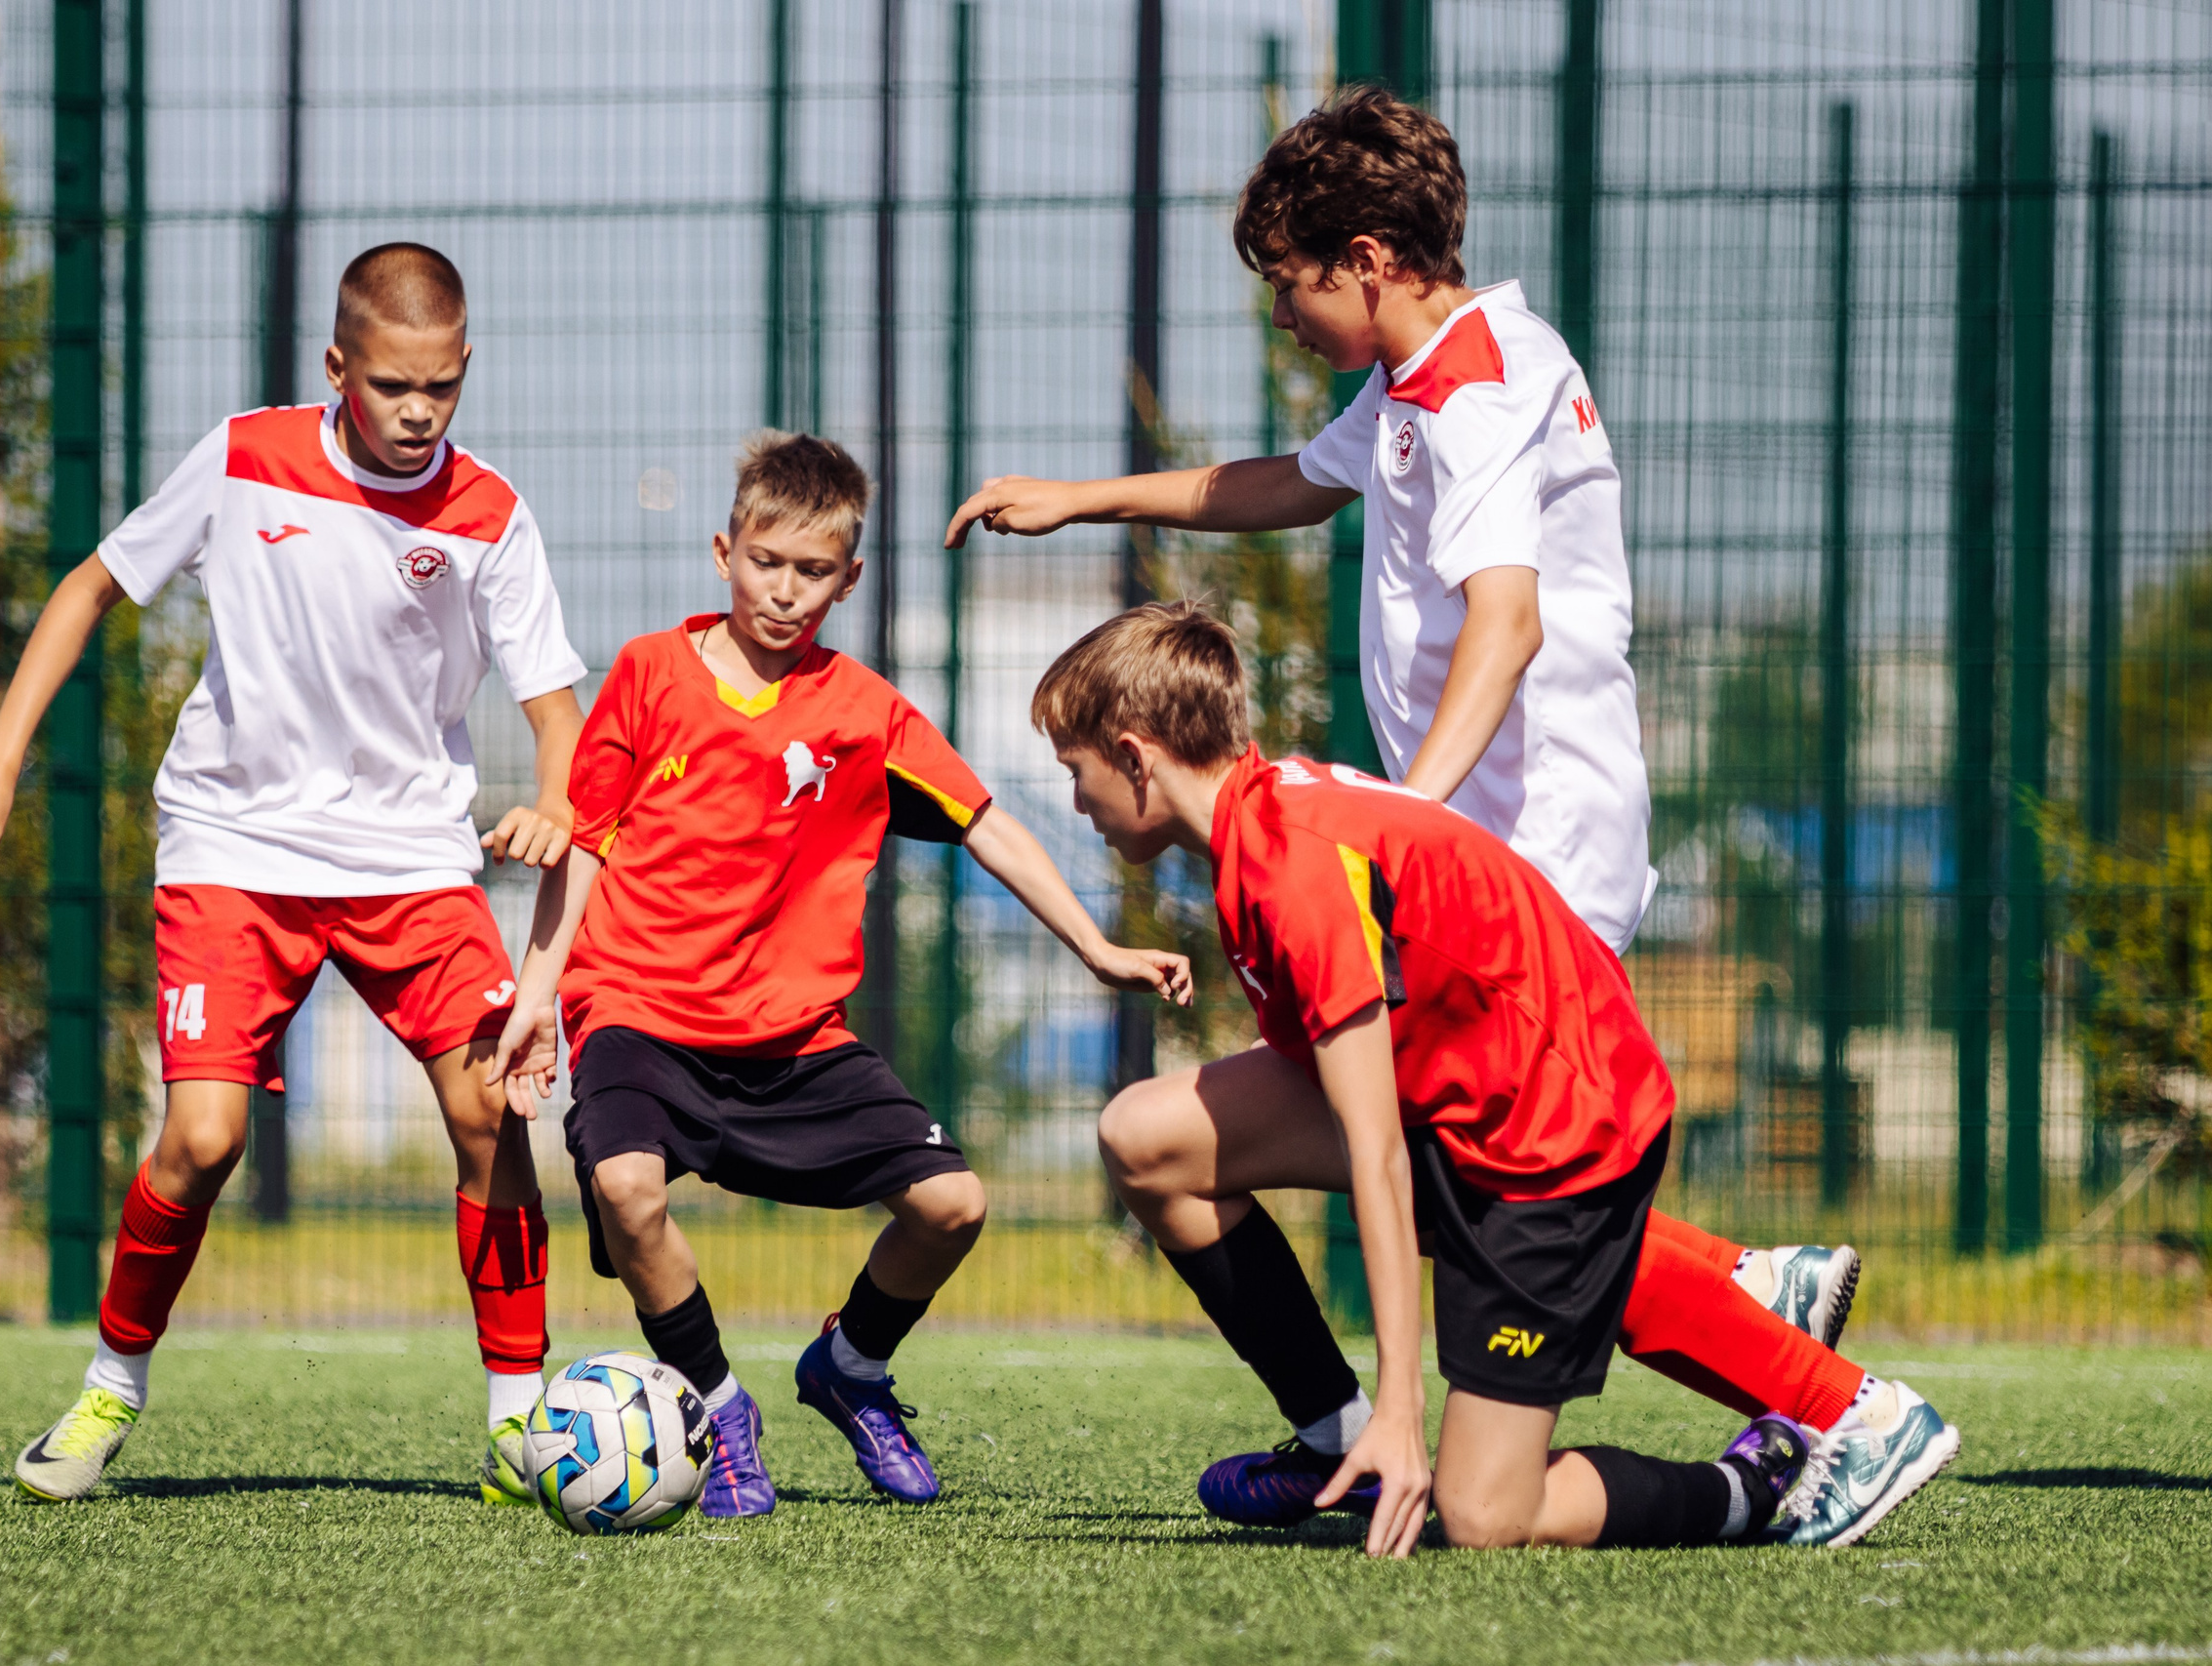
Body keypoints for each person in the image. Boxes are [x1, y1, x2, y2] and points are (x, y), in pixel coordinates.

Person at [946, 82, 1861, 1379]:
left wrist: (1400, 829)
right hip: (1492, 841)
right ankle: (1741, 1286)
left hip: (1526, 853)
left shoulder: (1478, 388)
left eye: (1288, 282)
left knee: (1464, 1164)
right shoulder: (1424, 371)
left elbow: (1506, 623)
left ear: (1368, 262)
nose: (1279, 314)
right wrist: (1084, 498)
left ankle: (1795, 1368)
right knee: (1403, 1145)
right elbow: (1298, 482)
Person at [1032, 601, 1960, 1555]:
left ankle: (1820, 1439)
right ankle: (1337, 1441)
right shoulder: (1259, 817)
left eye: (1077, 774)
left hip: (1555, 1129)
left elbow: (1378, 1153)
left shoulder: (1289, 866)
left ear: (1136, 756)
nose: (1076, 803)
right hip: (1480, 1094)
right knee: (1147, 1138)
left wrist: (1403, 1405)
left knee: (1484, 1515)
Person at [0, 244, 583, 1506]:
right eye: (394, 384)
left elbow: (560, 713)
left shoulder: (491, 514)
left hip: (409, 857)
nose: (418, 411)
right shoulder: (243, 456)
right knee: (204, 1133)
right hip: (234, 843)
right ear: (337, 367)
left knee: (492, 1108)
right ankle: (110, 1383)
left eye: (444, 387)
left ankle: (520, 1417)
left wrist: (559, 798)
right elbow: (89, 585)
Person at [489, 432, 1191, 1518]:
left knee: (953, 1205)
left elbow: (987, 824)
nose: (784, 590)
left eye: (812, 572)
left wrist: (1094, 945)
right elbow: (584, 844)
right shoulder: (647, 676)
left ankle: (850, 1367)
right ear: (726, 551)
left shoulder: (866, 714)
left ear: (847, 578)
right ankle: (721, 1408)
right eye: (765, 562)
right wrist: (538, 1002)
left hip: (794, 1040)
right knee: (627, 1189)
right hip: (638, 1015)